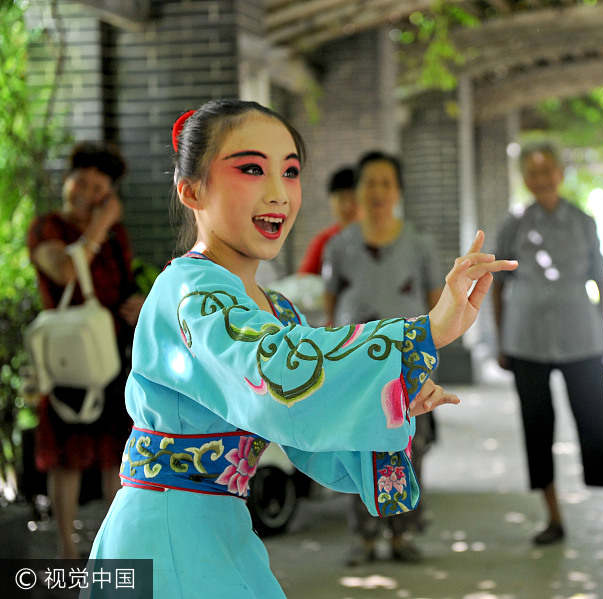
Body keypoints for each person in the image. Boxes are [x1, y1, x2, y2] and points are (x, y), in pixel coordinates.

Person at [86, 99, 516, 597]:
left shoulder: (275, 310)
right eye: (251, 168)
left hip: (216, 527)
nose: (278, 193)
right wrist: (422, 334)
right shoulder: (190, 293)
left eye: (290, 172)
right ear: (191, 190)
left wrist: (390, 392)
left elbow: (311, 432)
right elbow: (271, 371)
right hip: (166, 533)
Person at [491, 143, 603, 548]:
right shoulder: (514, 224)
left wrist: (601, 331)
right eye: (532, 172)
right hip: (526, 340)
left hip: (581, 338)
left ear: (560, 173)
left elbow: (600, 280)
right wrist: (501, 338)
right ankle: (553, 518)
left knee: (598, 425)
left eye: (547, 170)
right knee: (536, 429)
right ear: (525, 178)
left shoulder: (582, 221)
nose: (541, 178)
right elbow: (497, 287)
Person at [322, 150, 443, 565]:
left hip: (407, 367)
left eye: (385, 183)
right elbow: (331, 299)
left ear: (397, 191)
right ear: (357, 191)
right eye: (368, 182)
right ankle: (365, 536)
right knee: (360, 448)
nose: (376, 191)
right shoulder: (339, 245)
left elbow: (435, 305)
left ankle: (402, 534)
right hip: (357, 366)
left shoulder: (419, 244)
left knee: (409, 448)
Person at [27, 141, 145, 558]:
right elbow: (61, 271)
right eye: (81, 181)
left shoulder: (117, 236)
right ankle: (67, 552)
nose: (86, 192)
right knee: (67, 455)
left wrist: (137, 306)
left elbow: (123, 284)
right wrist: (100, 225)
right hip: (68, 357)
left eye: (98, 188)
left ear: (108, 194)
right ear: (67, 180)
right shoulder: (48, 228)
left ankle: (113, 552)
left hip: (109, 352)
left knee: (115, 450)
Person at [297, 165, 359, 276]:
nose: (348, 206)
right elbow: (303, 282)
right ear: (331, 201)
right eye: (341, 199)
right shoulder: (323, 241)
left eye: (353, 198)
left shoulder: (380, 239)